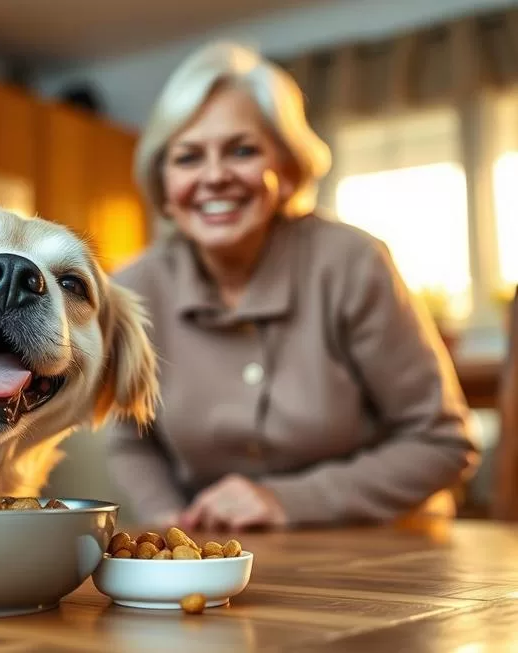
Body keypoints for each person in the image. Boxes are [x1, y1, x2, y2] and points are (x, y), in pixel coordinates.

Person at [104, 41, 481, 531]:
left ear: (285, 171)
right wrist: (170, 522)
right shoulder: (133, 288)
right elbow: (131, 439)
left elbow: (443, 442)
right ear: (165, 189)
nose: (215, 176)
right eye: (188, 157)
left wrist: (287, 501)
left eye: (242, 150)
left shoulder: (353, 262)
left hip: (381, 546)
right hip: (221, 557)